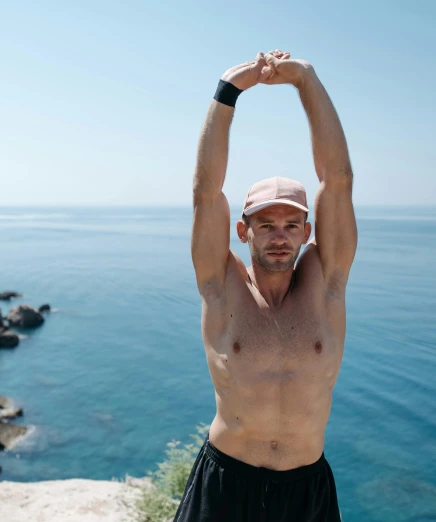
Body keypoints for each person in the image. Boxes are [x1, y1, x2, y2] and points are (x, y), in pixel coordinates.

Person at [176, 49, 357, 521]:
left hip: (305, 488)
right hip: (226, 482)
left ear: (308, 231)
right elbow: (205, 193)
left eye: (291, 225)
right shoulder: (220, 286)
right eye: (266, 224)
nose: (279, 236)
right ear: (244, 231)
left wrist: (306, 80)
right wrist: (228, 90)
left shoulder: (327, 286)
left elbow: (337, 181)